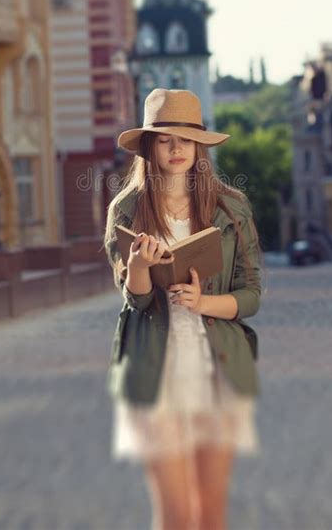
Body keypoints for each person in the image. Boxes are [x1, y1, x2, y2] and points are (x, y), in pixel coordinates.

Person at [104, 88, 264, 530]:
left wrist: (204, 301)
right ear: (149, 147)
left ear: (199, 147)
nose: (176, 149)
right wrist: (137, 266)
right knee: (175, 517)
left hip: (219, 371)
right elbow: (133, 298)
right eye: (164, 139)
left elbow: (250, 293)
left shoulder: (231, 207)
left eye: (185, 139)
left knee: (210, 515)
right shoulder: (128, 207)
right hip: (156, 371)